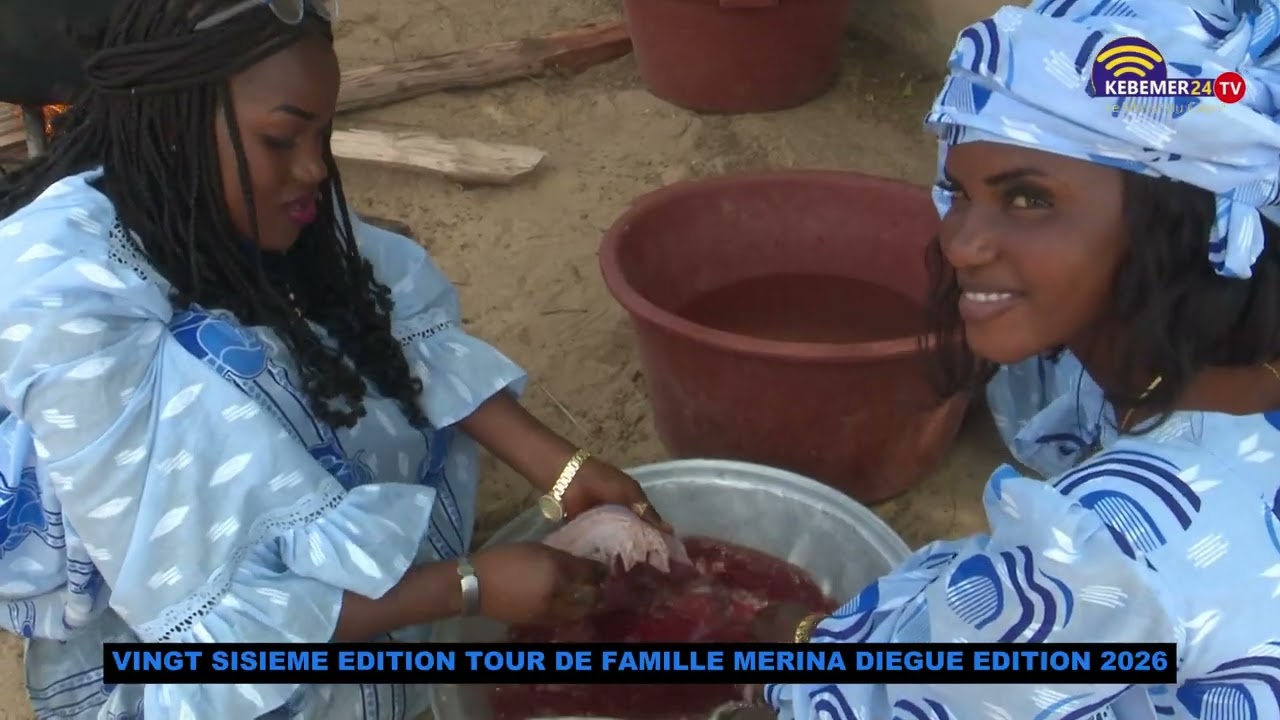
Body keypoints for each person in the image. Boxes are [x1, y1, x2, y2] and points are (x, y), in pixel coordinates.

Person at [0, 1, 667, 718]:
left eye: (322, 133)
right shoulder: (64, 302)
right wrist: (467, 586)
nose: (314, 167)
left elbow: (390, 325)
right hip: (188, 633)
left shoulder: (232, 194)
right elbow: (212, 634)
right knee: (223, 356)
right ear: (174, 126)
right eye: (281, 139)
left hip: (303, 593)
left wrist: (564, 469)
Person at [727, 1, 1280, 718]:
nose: (959, 244)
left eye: (1028, 199)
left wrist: (802, 655)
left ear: (1177, 218)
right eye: (959, 192)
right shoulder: (1221, 376)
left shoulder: (1114, 545)